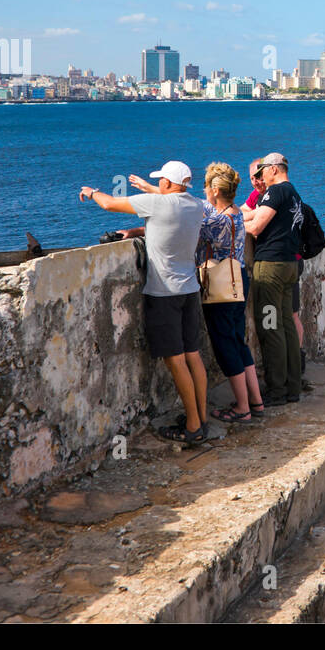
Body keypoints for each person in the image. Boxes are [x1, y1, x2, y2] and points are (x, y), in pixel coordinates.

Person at [80, 160, 211, 444]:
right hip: (189, 289)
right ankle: (202, 418)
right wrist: (142, 220)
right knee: (193, 355)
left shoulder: (157, 203)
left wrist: (91, 192)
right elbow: (168, 211)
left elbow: (110, 204)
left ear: (166, 183)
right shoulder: (196, 205)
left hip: (164, 294)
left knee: (176, 361)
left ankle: (192, 428)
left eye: (160, 180)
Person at [197, 163, 265, 424]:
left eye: (206, 186)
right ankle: (256, 402)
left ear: (214, 189)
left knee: (225, 345)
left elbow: (192, 225)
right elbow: (200, 205)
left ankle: (242, 409)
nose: (204, 190)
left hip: (221, 285)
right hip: (239, 281)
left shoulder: (215, 221)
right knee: (239, 341)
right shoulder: (235, 213)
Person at [246, 158, 311, 392]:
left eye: (262, 172)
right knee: (286, 326)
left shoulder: (275, 192)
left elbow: (255, 227)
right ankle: (292, 385)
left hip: (271, 268)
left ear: (273, 169)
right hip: (289, 266)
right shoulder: (293, 193)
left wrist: (229, 226)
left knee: (269, 324)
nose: (260, 177)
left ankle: (276, 387)